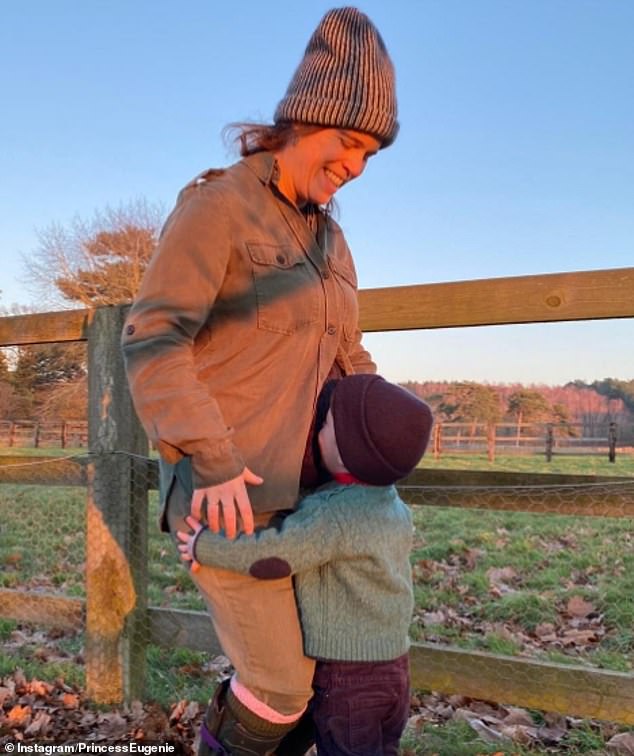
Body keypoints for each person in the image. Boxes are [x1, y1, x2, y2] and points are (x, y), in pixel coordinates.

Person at [121, 7, 400, 755]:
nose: (357, 167)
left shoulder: (331, 239)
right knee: (279, 687)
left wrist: (390, 445)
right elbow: (153, 335)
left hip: (313, 507)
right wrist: (206, 457)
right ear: (303, 119)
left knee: (318, 685)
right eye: (349, 142)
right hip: (230, 496)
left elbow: (352, 359)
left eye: (373, 153)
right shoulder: (218, 209)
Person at [177, 374, 434, 756]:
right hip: (394, 671)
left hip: (347, 676)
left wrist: (206, 546)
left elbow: (274, 556)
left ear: (350, 448)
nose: (317, 432)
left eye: (326, 425)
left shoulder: (334, 515)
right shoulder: (391, 504)